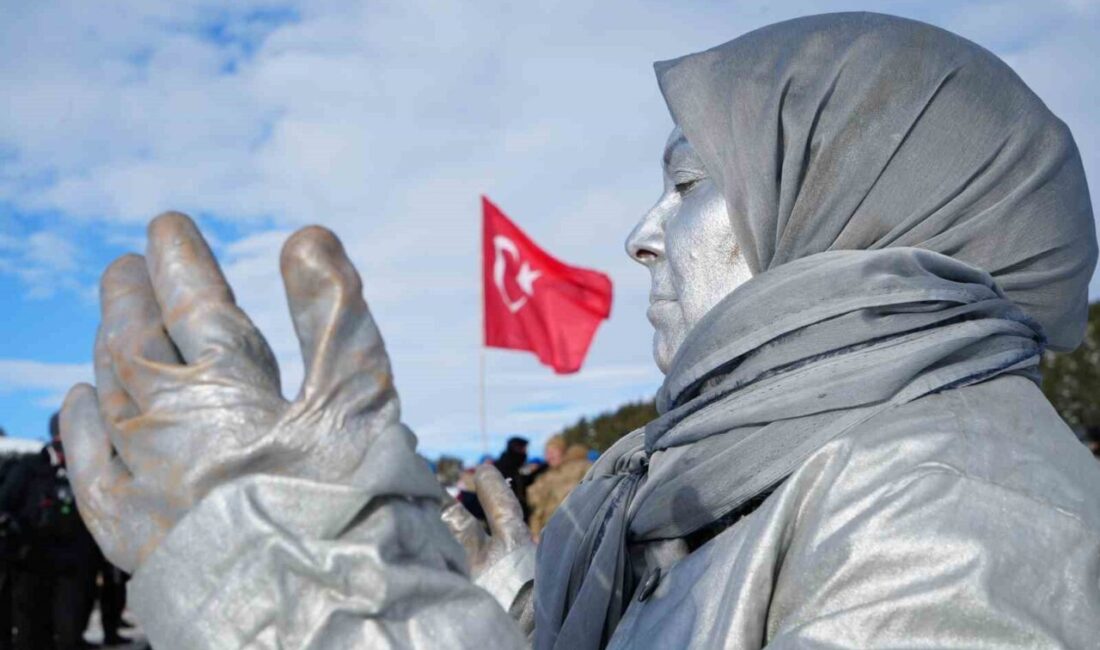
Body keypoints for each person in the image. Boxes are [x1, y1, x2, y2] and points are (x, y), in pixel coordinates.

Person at [60, 12, 1100, 649]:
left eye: (690, 183)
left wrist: (296, 594)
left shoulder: (967, 515)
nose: (639, 236)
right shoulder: (742, 477)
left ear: (853, 206)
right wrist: (498, 606)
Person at [1, 415, 98, 650]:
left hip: (71, 566)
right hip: (32, 565)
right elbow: (5, 503)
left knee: (69, 632)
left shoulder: (86, 472)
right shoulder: (29, 469)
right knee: (32, 633)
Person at [527, 437, 591, 539]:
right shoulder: (545, 477)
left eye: (553, 451)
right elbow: (538, 510)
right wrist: (535, 533)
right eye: (547, 452)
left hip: (576, 532)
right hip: (549, 534)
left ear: (563, 452)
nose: (550, 455)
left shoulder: (580, 468)